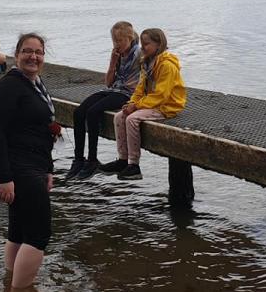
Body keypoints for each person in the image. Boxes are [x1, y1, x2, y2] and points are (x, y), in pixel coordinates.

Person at [0, 33, 60, 290]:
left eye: (38, 52)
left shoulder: (34, 84)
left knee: (18, 230)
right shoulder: (11, 85)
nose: (33, 57)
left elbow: (40, 130)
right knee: (39, 234)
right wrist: (3, 178)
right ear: (16, 55)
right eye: (27, 51)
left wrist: (48, 169)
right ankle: (20, 289)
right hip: (19, 168)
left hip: (34, 165)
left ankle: (11, 284)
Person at [99, 28, 187, 180]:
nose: (143, 47)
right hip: (151, 104)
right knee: (119, 116)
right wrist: (131, 103)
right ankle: (122, 159)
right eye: (142, 44)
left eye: (147, 44)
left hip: (167, 106)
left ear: (158, 45)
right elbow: (140, 88)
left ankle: (134, 165)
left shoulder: (167, 65)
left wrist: (137, 107)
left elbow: (161, 95)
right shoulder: (146, 62)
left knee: (132, 119)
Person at [65, 21, 141, 180]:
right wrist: (113, 62)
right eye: (114, 41)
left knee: (93, 112)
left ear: (130, 38)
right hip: (112, 89)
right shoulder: (119, 55)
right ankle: (79, 159)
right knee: (79, 112)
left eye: (120, 40)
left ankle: (92, 159)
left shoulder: (139, 54)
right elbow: (108, 82)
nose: (117, 44)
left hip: (128, 93)